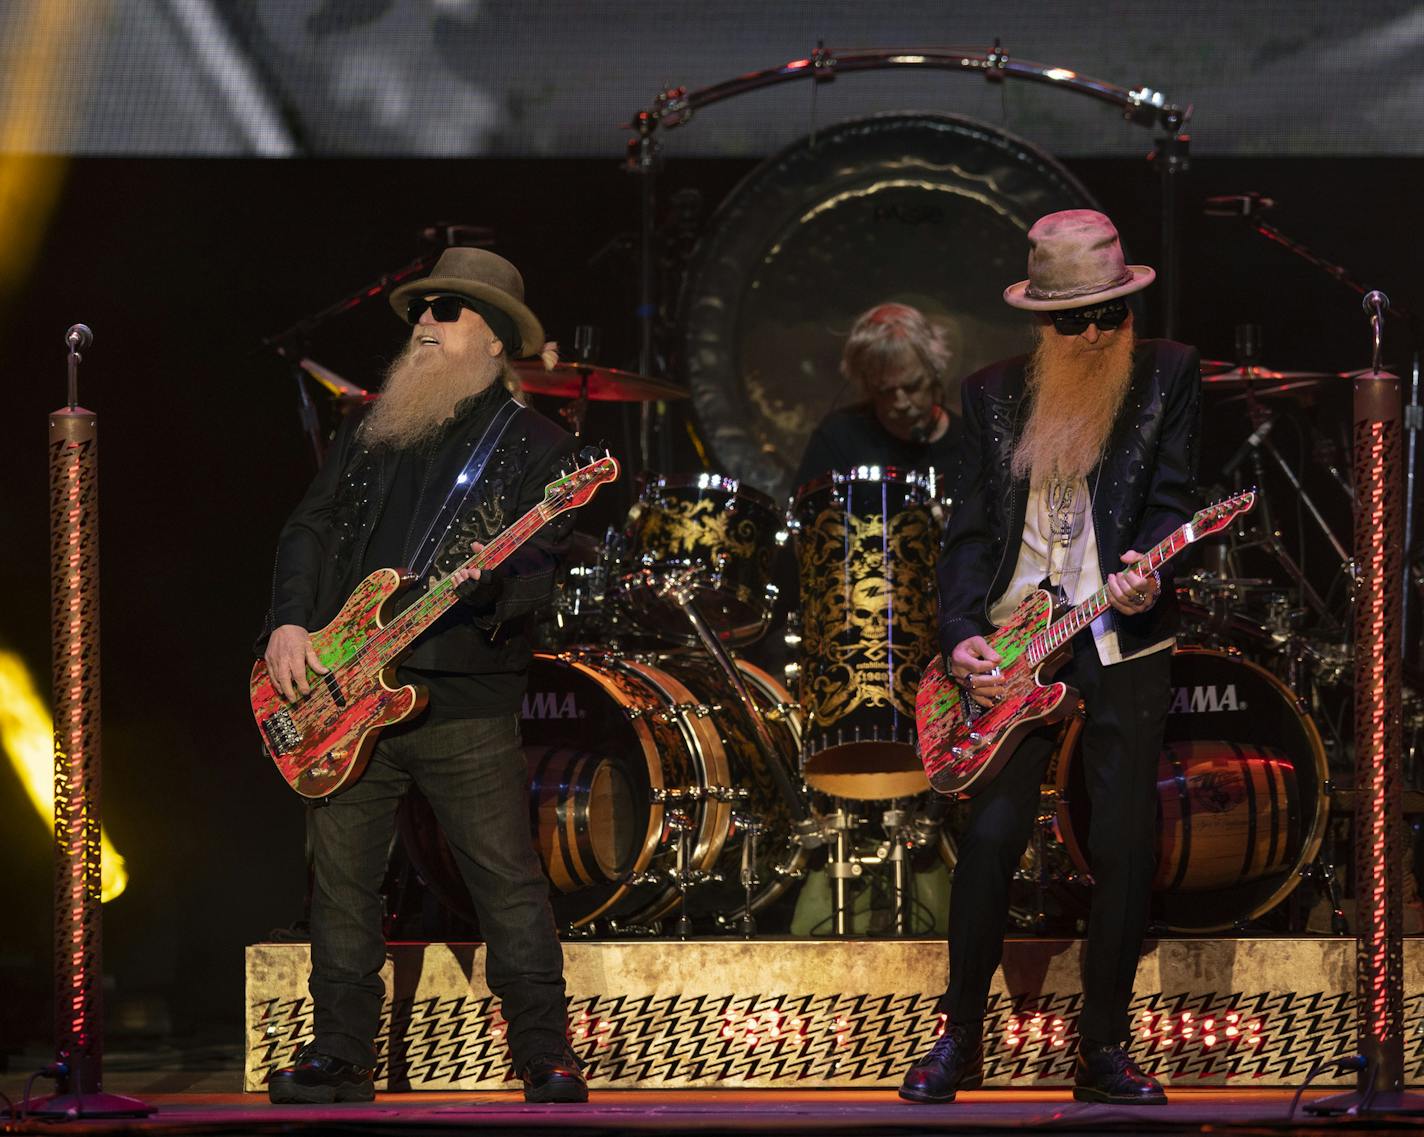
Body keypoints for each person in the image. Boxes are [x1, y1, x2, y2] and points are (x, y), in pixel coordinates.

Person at [259, 247, 587, 1105]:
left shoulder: (541, 448)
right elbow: (312, 526)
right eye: (423, 308)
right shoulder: (373, 427)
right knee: (339, 883)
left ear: (494, 338)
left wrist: (489, 586)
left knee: (504, 879)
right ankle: (341, 1054)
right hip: (341, 689)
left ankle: (545, 1053)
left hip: (462, 691)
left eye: (448, 309)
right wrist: (288, 624)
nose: (425, 322)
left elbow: (540, 573)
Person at [899, 210, 1200, 1106]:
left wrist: (1148, 569)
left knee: (1122, 840)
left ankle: (1102, 1046)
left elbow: (1173, 497)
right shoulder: (993, 394)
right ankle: (960, 1036)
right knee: (988, 839)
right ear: (1043, 319)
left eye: (1111, 312)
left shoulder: (1170, 376)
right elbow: (966, 536)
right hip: (1014, 644)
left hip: (1118, 632)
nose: (1097, 331)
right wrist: (961, 636)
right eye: (1075, 318)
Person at [792, 302, 963, 496]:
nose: (901, 403)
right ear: (866, 385)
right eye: (885, 391)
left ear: (936, 370)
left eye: (912, 387)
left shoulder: (970, 445)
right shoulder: (838, 437)